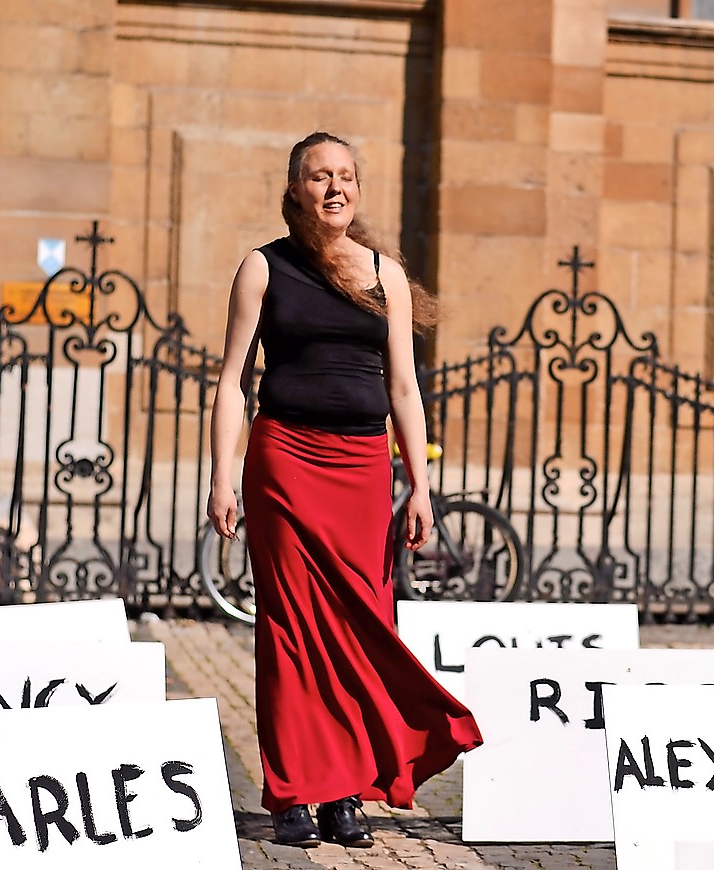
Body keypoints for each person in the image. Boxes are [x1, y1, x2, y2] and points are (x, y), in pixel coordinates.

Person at [206, 131, 482, 848]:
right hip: (285, 464)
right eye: (319, 176)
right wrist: (222, 475)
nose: (335, 187)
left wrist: (420, 484)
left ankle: (346, 793)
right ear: (295, 189)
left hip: (362, 471)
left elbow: (403, 387)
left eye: (346, 176)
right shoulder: (263, 269)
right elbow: (233, 381)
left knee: (362, 631)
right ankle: (296, 791)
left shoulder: (384, 274)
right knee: (291, 632)